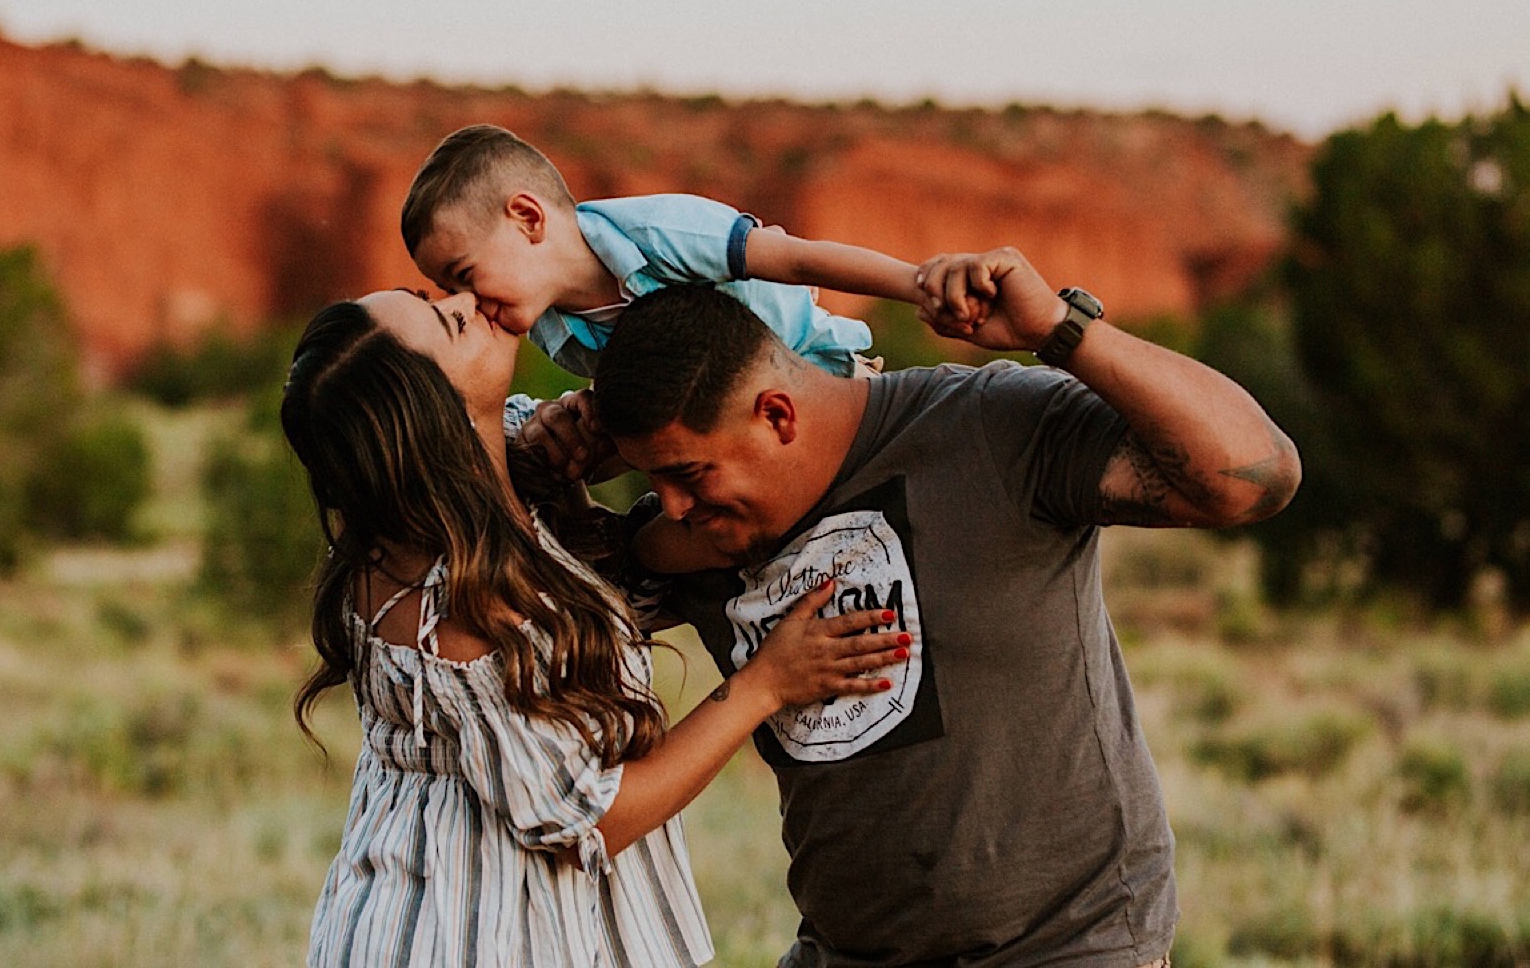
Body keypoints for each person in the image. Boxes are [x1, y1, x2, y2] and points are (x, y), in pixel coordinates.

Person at [516, 251, 1302, 968]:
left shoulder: (983, 428)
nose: (673, 505)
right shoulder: (695, 538)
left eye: (690, 474)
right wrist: (548, 472)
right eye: (660, 480)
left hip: (1067, 947)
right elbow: (504, 614)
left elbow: (1250, 478)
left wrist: (1062, 332)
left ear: (777, 414)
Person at [281, 288, 916, 967]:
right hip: (473, 938)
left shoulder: (494, 497)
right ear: (437, 414)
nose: (474, 298)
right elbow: (593, 817)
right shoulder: (458, 609)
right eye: (453, 322)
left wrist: (589, 442)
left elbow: (596, 575)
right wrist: (767, 684)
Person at [399, 124, 974, 378]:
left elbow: (797, 258)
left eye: (466, 275)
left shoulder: (663, 233)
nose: (468, 303)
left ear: (527, 218)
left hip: (817, 375)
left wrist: (919, 283)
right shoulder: (557, 335)